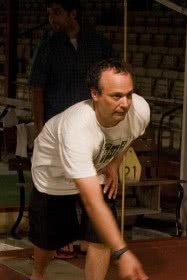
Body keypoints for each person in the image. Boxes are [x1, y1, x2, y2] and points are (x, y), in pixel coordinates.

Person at [20, 58, 149, 280]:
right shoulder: (77, 129)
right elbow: (91, 203)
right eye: (116, 96)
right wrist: (123, 251)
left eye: (129, 94)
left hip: (98, 168)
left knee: (99, 239)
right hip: (53, 174)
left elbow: (128, 137)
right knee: (47, 240)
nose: (126, 103)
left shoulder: (139, 110)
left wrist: (114, 163)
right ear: (94, 94)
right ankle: (38, 275)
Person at [29, 0, 114, 260]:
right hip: (59, 128)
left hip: (93, 126)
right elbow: (37, 88)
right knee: (61, 186)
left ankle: (92, 237)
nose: (51, 18)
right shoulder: (48, 46)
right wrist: (40, 127)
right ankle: (61, 238)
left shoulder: (98, 43)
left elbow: (111, 79)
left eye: (56, 12)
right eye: (49, 12)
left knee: (92, 180)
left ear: (72, 13)